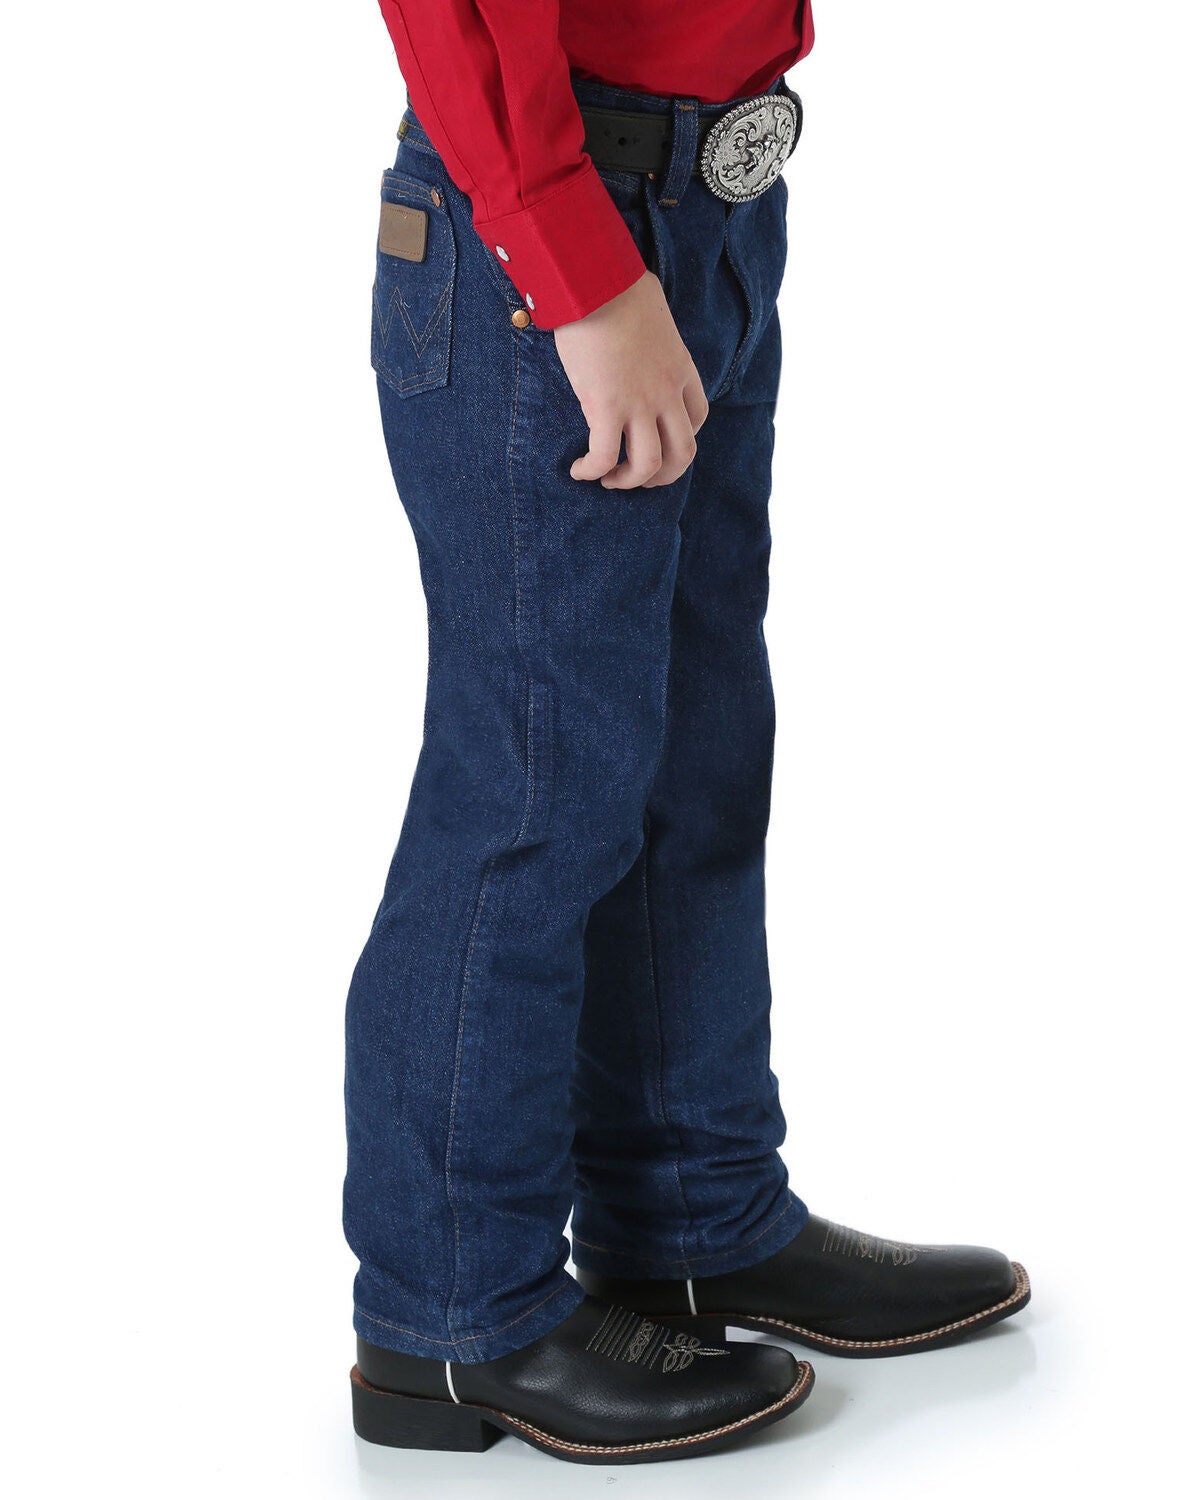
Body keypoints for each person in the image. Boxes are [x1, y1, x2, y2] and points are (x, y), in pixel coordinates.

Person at [343, 1, 1029, 1465]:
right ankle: (451, 1312)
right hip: (549, 230)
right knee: (534, 783)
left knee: (692, 756)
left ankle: (692, 1219)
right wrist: (581, 271)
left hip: (711, 203)